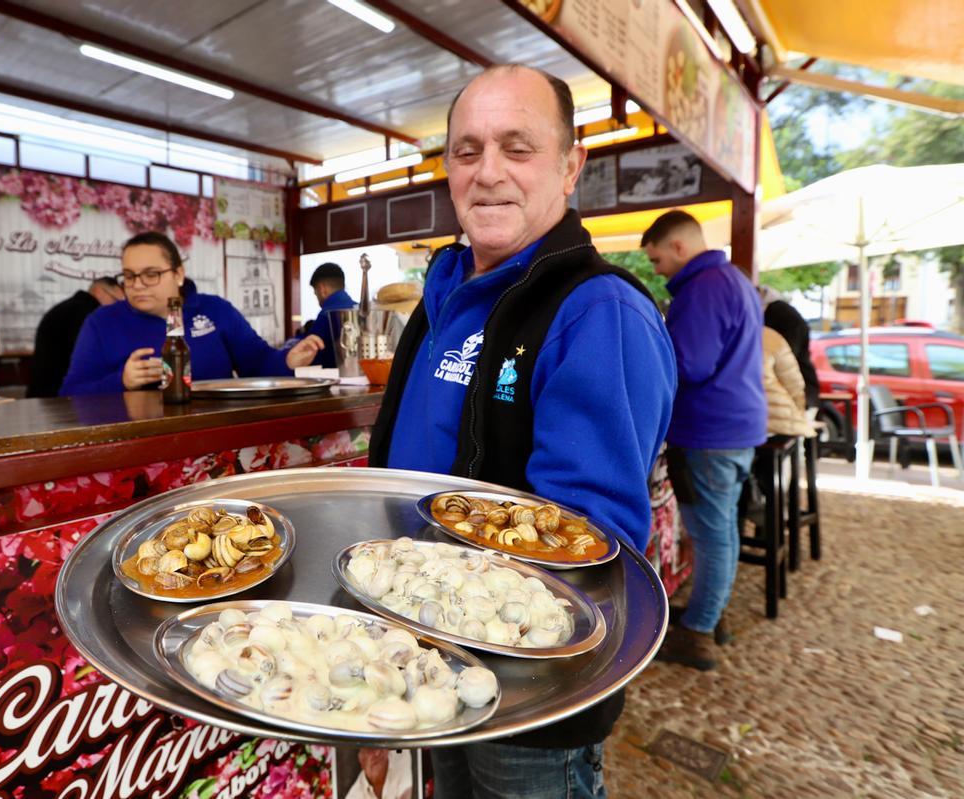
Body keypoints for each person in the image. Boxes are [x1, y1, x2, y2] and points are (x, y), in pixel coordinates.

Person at [368, 64, 676, 799]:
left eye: (518, 147)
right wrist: (384, 655)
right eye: (467, 151)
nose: (488, 173)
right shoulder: (441, 294)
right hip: (431, 667)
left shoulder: (598, 312)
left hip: (530, 700)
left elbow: (584, 544)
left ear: (572, 167)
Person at [641, 209, 766, 671]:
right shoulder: (734, 279)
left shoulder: (703, 288)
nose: (656, 270)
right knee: (723, 532)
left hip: (709, 432)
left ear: (678, 247)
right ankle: (713, 616)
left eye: (656, 259)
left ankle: (697, 635)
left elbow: (689, 365)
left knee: (711, 537)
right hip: (737, 429)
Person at [61, 232, 323, 395]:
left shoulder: (215, 311)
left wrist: (289, 361)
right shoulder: (102, 322)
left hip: (215, 437)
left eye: (151, 274)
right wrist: (122, 380)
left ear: (178, 274)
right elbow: (71, 394)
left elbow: (257, 365)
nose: (137, 284)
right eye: (129, 276)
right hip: (136, 449)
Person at [26, 277, 124, 398]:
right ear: (99, 291)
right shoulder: (89, 315)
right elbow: (87, 361)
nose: (117, 308)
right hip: (56, 398)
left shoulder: (70, 307)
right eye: (115, 300)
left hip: (43, 390)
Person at [759, 284, 819, 408]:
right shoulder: (779, 311)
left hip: (794, 393)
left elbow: (786, 359)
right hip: (800, 390)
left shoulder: (779, 315)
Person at [763, 326, 816, 438]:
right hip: (775, 421)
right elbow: (793, 384)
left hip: (731, 423)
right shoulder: (770, 336)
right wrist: (800, 412)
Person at [303, 262, 356, 368]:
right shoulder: (358, 309)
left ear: (322, 289)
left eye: (315, 292)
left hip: (335, 380)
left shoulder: (326, 315)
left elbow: (308, 355)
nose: (317, 297)